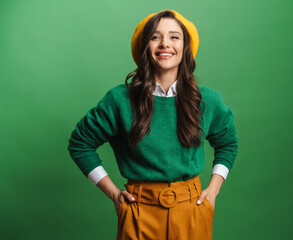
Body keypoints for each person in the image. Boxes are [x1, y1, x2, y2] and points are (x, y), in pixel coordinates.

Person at [67, 9, 238, 240]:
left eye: (174, 37)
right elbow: (80, 143)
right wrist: (114, 194)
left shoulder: (207, 100)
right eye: (155, 37)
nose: (165, 44)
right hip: (138, 212)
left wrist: (214, 190)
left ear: (185, 47)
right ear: (144, 47)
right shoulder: (119, 100)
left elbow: (227, 143)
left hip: (192, 210)